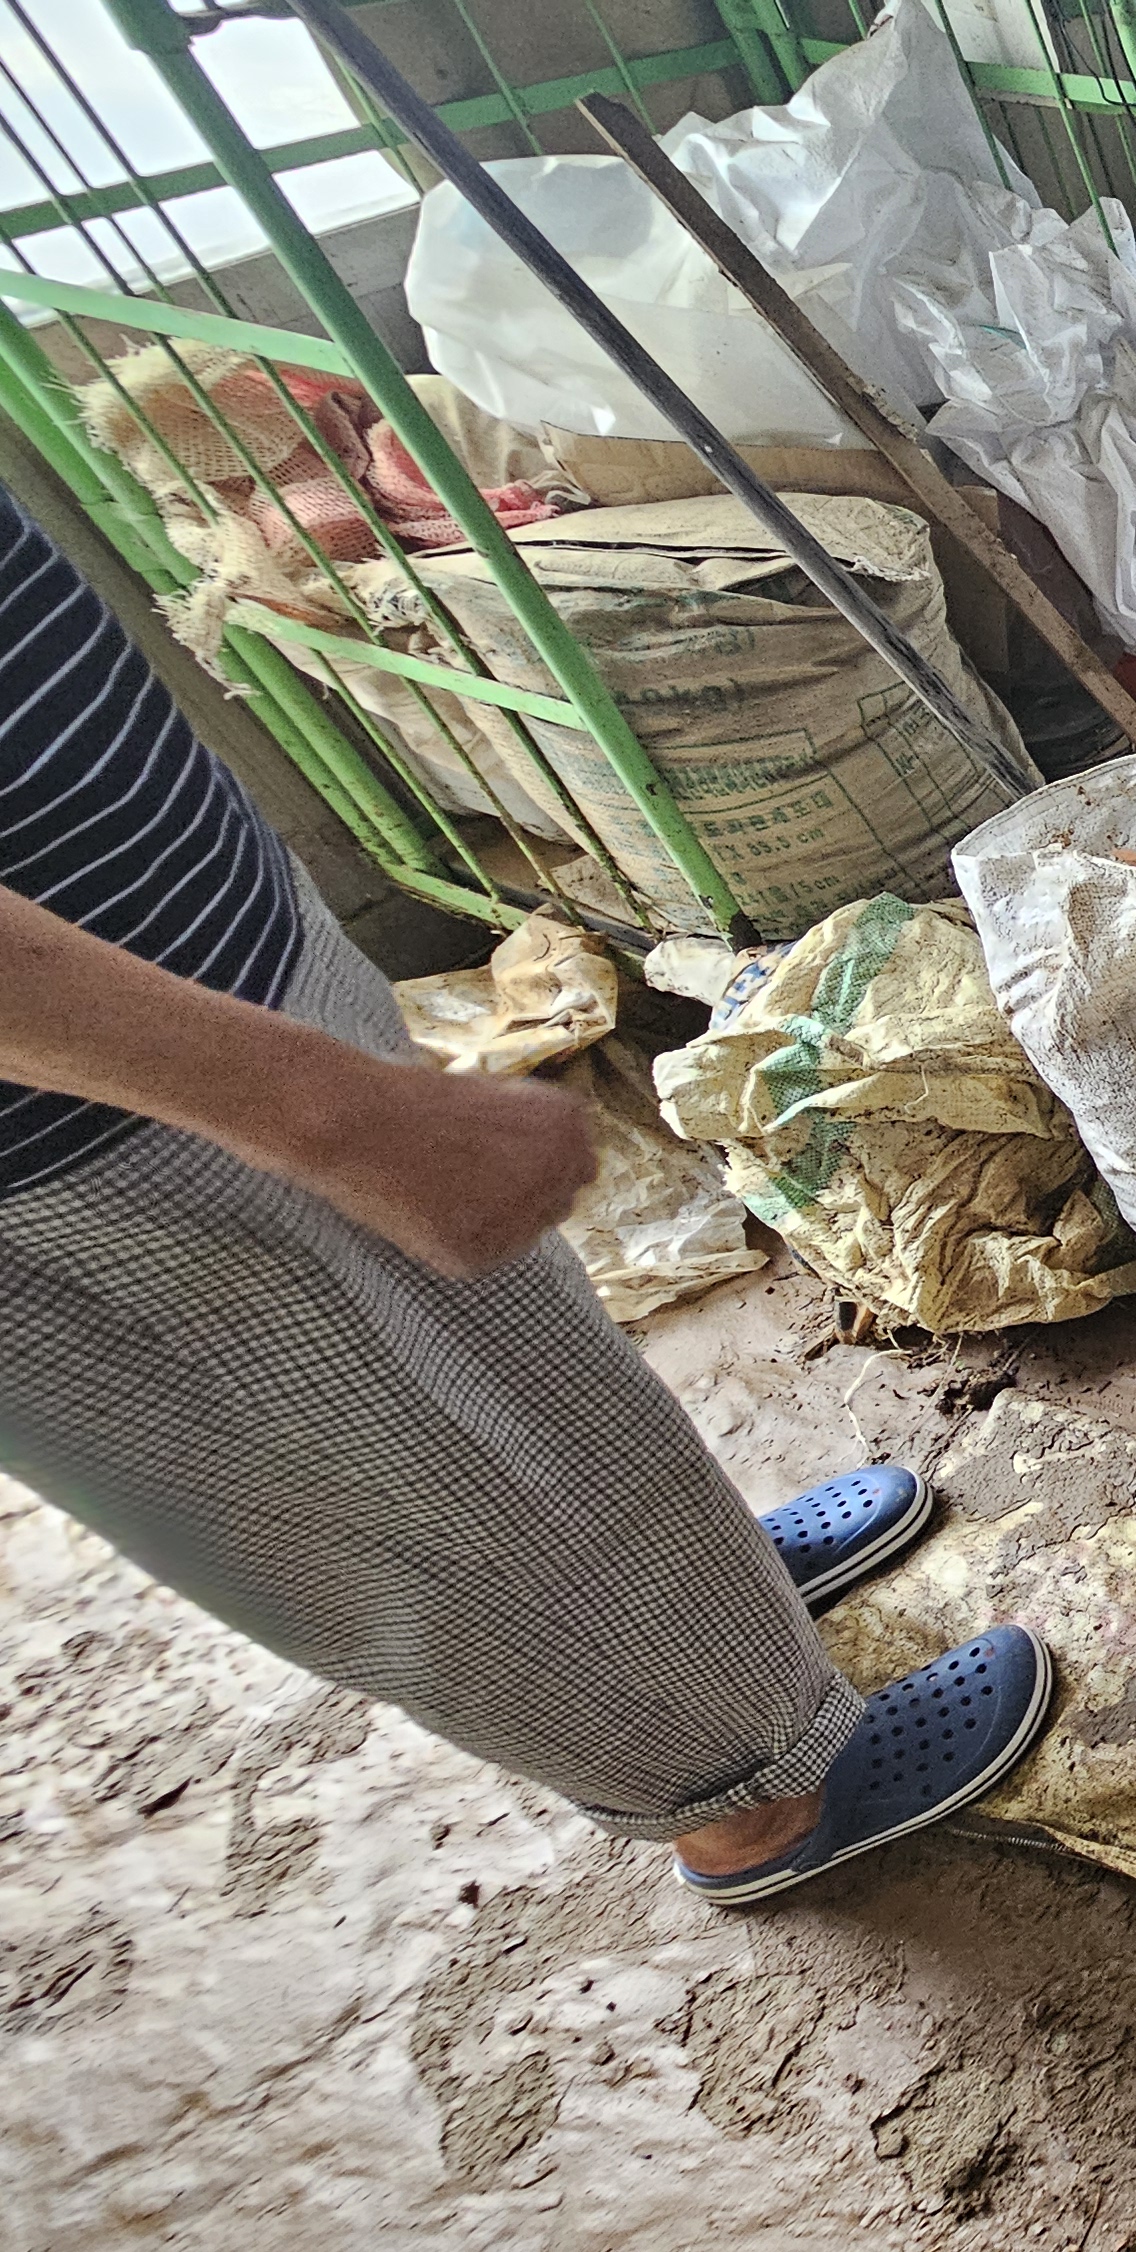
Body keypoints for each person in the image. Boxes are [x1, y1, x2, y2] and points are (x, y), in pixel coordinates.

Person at [0, 485, 1048, 1903]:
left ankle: (693, 1607)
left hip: (175, 967)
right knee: (413, 1477)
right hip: (86, 1131)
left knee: (502, 1388)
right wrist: (318, 1111)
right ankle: (752, 1797)